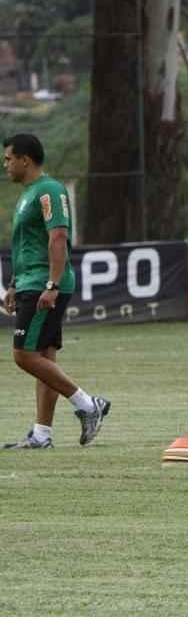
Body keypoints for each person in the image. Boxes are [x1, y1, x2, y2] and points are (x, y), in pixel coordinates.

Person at [2, 134, 109, 449]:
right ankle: (41, 435)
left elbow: (58, 237)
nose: (5, 164)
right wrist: (13, 283)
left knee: (24, 355)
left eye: (9, 158)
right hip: (30, 281)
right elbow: (27, 245)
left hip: (44, 284)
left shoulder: (48, 190)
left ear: (26, 159)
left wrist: (52, 284)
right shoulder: (27, 195)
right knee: (45, 357)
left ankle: (89, 405)